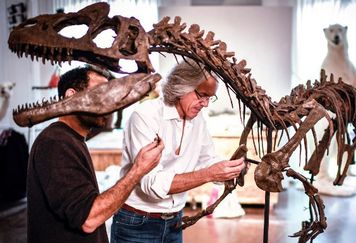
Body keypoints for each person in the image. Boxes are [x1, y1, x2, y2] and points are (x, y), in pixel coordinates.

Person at [110, 60, 246, 243]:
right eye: (202, 95)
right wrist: (208, 174)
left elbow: (207, 159)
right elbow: (152, 184)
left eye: (210, 98)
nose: (205, 104)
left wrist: (229, 169)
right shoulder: (145, 116)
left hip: (175, 221)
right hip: (136, 222)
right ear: (181, 86)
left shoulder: (198, 120)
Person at [27, 66, 164, 243]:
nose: (109, 103)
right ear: (71, 96)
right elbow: (89, 218)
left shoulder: (71, 139)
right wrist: (138, 170)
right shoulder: (56, 143)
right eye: (101, 93)